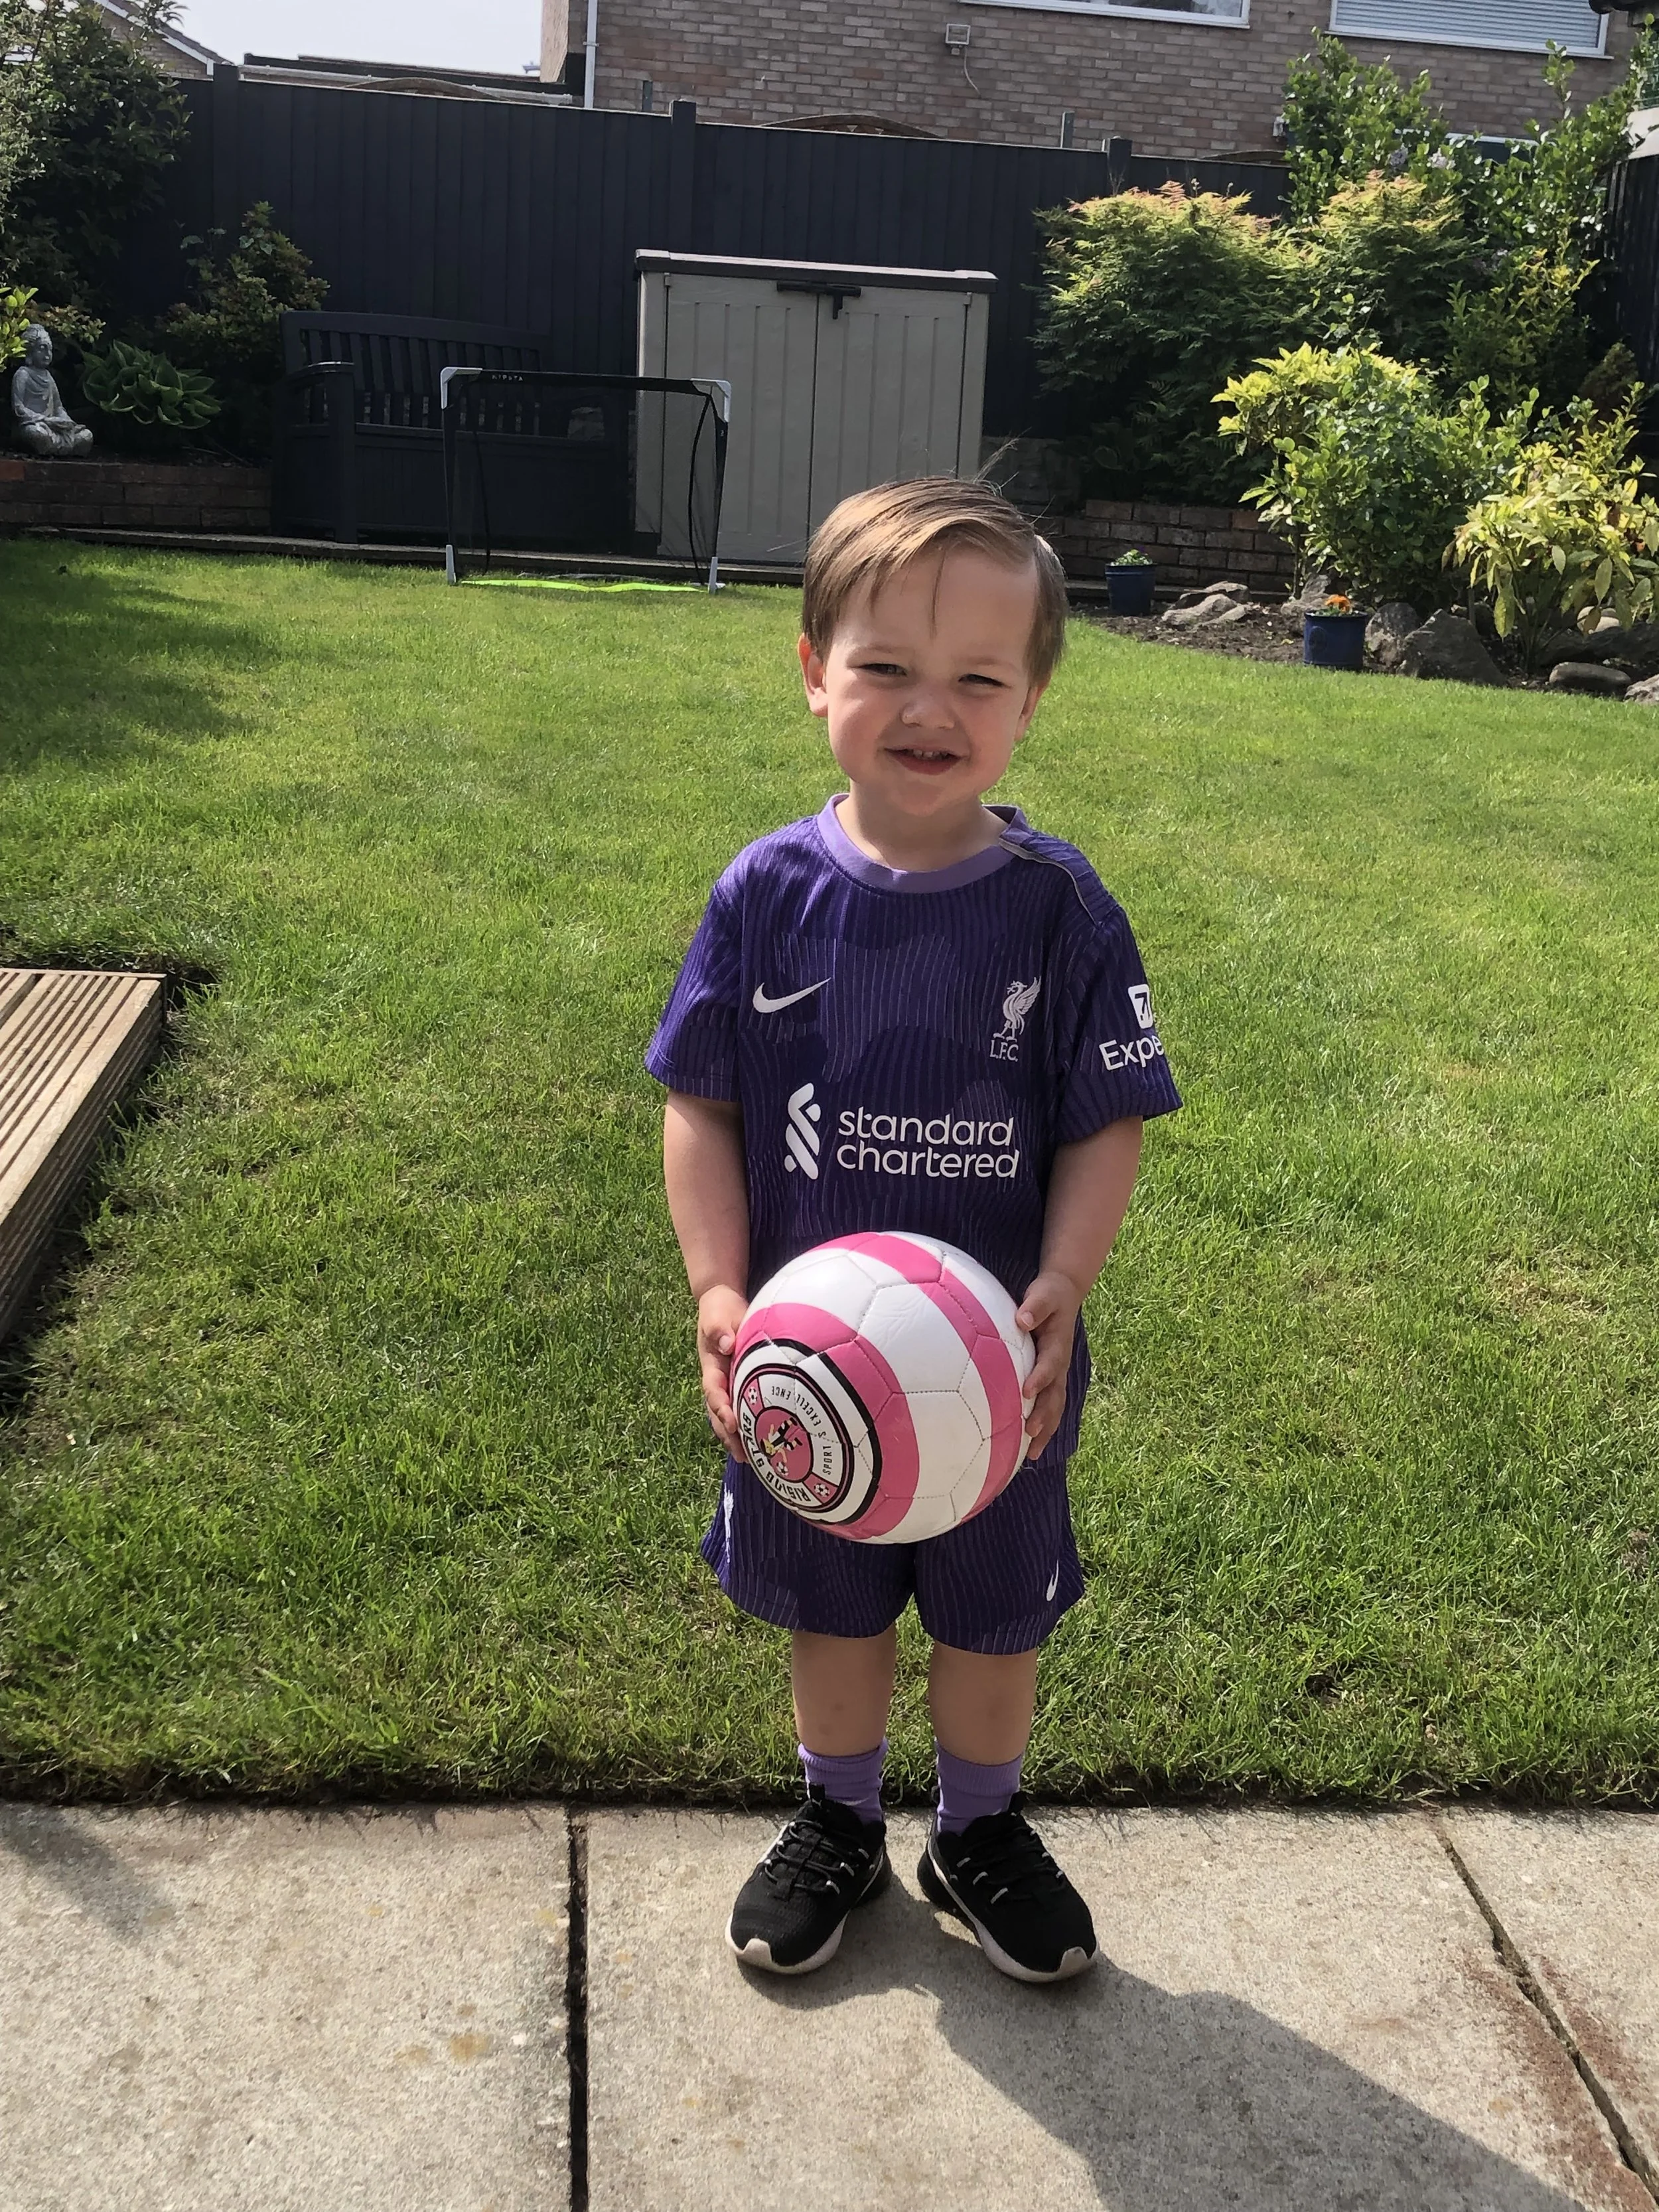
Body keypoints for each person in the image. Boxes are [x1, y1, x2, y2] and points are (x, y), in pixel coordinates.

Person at [646, 477, 1181, 1984]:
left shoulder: (1057, 910)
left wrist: (1065, 1279)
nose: (927, 708)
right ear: (813, 667)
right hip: (812, 1363)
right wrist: (717, 1284)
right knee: (834, 1597)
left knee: (993, 1616)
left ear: (1031, 701)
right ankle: (836, 1820)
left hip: (999, 1372)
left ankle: (977, 1827)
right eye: (884, 666)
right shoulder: (767, 896)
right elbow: (703, 1104)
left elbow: (1104, 1115)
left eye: (977, 679)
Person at [11, 325, 93, 457]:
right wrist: (46, 420)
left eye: (50, 349)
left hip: (53, 427)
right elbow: (19, 408)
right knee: (36, 433)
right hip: (35, 424)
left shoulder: (49, 377)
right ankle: (54, 447)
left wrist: (66, 422)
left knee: (86, 436)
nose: (47, 354)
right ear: (30, 352)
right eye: (42, 349)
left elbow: (58, 407)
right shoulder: (23, 375)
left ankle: (56, 448)